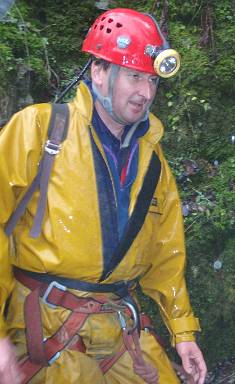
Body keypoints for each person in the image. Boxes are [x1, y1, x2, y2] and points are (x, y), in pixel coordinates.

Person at [0, 8, 207, 384]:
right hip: (45, 322)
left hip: (118, 323)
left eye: (152, 82)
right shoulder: (39, 130)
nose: (146, 93)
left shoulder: (152, 159)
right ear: (99, 72)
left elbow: (166, 253)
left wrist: (183, 332)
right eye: (134, 77)